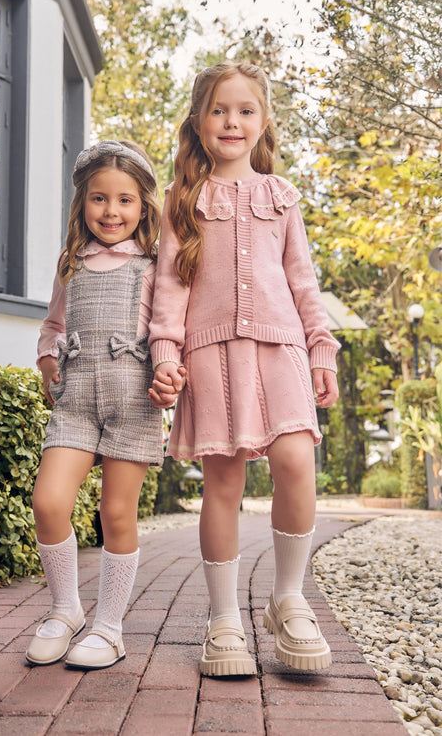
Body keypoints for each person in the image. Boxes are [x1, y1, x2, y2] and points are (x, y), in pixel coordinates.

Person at [148, 61, 340, 676]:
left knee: (296, 461)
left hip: (282, 347)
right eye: (219, 110)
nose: (232, 121)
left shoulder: (281, 196)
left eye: (245, 110)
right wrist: (166, 353)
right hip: (210, 354)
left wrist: (321, 348)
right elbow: (169, 288)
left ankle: (289, 599)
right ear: (198, 121)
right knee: (223, 483)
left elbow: (303, 281)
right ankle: (224, 617)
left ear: (263, 122)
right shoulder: (182, 200)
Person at [27, 140, 176, 671]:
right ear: (82, 203)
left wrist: (168, 372)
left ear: (144, 206)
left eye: (124, 200)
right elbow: (52, 325)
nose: (111, 211)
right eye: (99, 198)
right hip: (75, 403)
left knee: (116, 513)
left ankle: (109, 627)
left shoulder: (154, 266)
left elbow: (168, 331)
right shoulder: (72, 263)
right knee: (48, 503)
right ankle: (65, 609)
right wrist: (48, 359)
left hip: (133, 400)